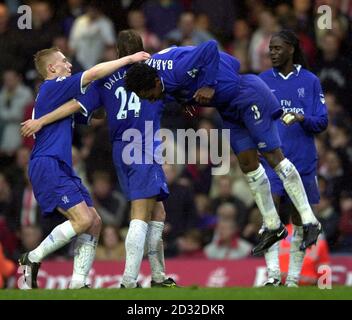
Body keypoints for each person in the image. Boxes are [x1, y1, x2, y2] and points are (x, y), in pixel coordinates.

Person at [124, 39, 322, 255]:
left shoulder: (176, 70)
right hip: (228, 109)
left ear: (154, 82)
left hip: (248, 96)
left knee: (274, 157)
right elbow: (229, 64)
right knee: (248, 165)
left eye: (148, 95)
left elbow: (209, 46)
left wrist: (209, 84)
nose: (151, 100)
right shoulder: (159, 81)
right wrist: (190, 104)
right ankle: (273, 225)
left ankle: (310, 220)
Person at [20, 30, 176, 289]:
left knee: (94, 222)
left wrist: (43, 120)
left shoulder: (59, 94)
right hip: (48, 163)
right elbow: (92, 74)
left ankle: (78, 284)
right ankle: (32, 257)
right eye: (64, 61)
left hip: (61, 165)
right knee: (82, 220)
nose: (69, 64)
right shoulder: (53, 86)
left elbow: (88, 110)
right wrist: (128, 61)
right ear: (51, 68)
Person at [258, 30, 328, 287]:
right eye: (271, 48)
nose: (272, 53)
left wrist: (301, 118)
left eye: (277, 48)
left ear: (291, 49)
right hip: (272, 161)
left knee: (300, 221)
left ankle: (294, 279)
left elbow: (322, 122)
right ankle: (274, 276)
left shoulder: (310, 81)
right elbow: (254, 117)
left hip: (303, 161)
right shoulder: (263, 80)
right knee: (272, 217)